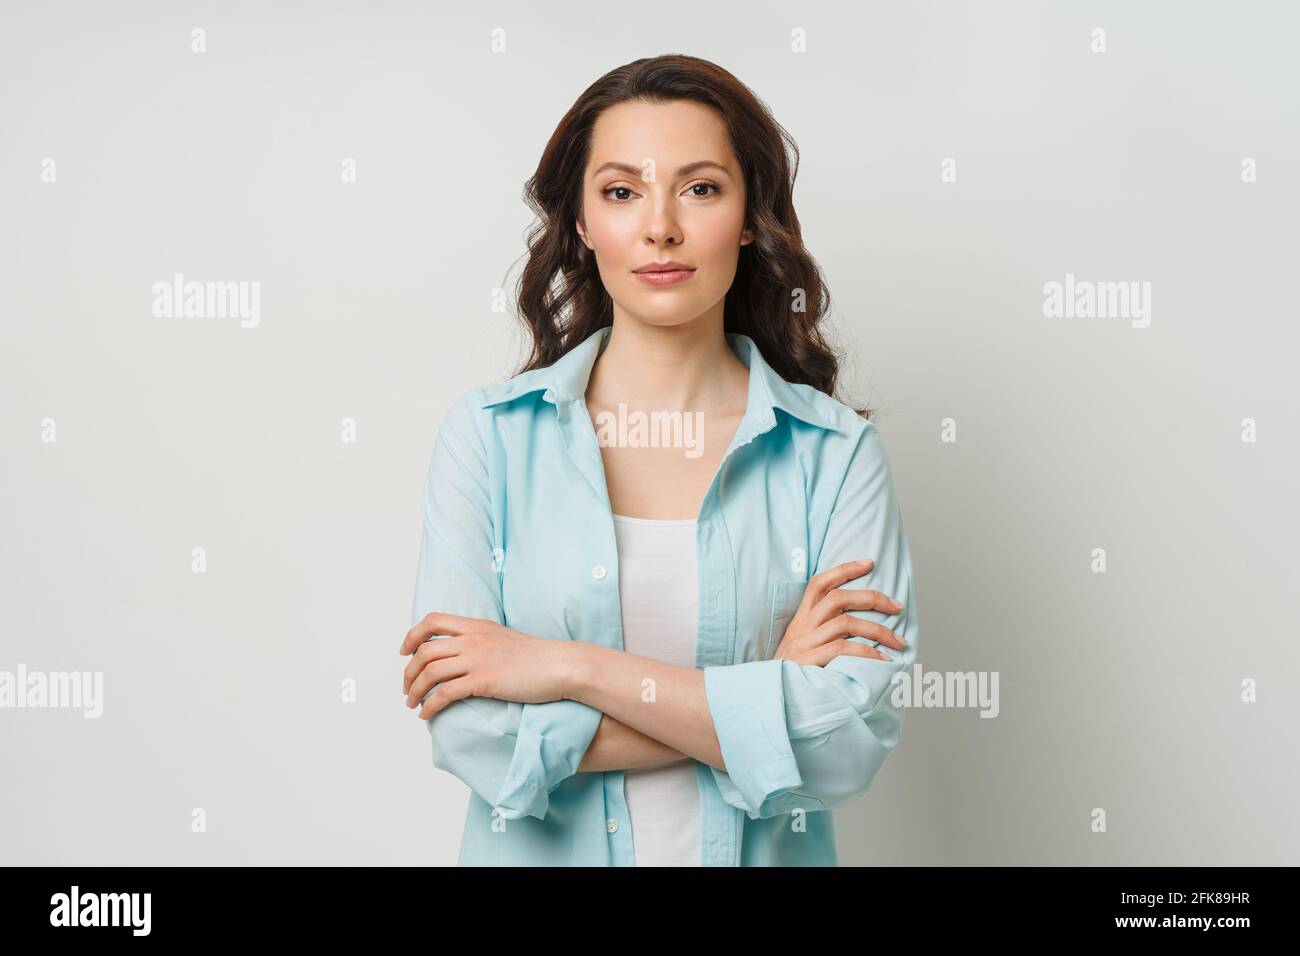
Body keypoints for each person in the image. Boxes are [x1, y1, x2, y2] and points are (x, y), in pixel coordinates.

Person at [400, 54, 918, 866]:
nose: (660, 228)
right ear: (580, 221)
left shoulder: (835, 456)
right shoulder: (489, 441)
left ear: (750, 214)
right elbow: (476, 737)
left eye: (701, 187)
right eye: (620, 192)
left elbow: (844, 745)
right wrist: (762, 703)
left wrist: (560, 667)